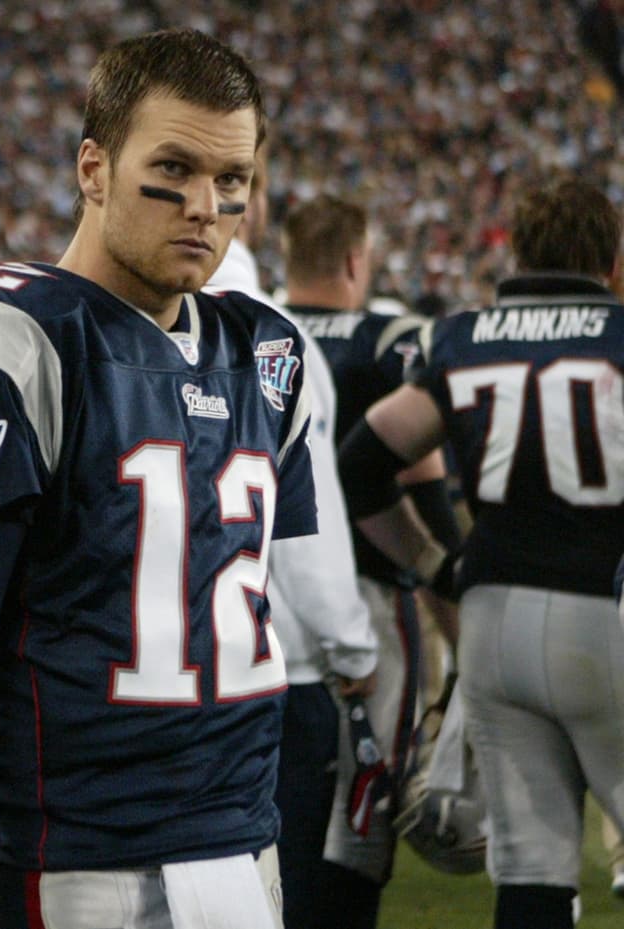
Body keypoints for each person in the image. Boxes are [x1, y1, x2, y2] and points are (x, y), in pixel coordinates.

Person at [0, 28, 319, 929]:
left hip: (242, 847)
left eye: (232, 180)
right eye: (176, 167)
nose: (205, 205)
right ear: (95, 167)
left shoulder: (268, 353)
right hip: (78, 869)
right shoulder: (0, 340)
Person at [336, 176, 624, 929]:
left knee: (532, 868)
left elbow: (362, 461)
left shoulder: (462, 338)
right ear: (612, 257)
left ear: (521, 250)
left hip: (495, 618)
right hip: (609, 615)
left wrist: (436, 563)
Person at [204, 151, 379, 929]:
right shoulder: (275, 340)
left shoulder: (107, 324)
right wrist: (354, 649)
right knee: (292, 898)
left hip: (149, 676)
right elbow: (310, 531)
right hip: (278, 669)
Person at [282, 194, 463, 929]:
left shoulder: (256, 327)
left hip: (265, 603)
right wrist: (453, 598)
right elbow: (421, 483)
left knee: (281, 803)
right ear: (356, 260)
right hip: (369, 603)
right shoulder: (388, 339)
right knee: (363, 808)